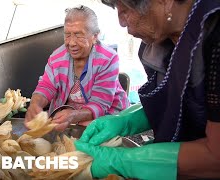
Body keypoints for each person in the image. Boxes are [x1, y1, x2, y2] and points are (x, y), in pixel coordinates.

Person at [75, 0, 220, 179]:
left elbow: (216, 156)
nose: (121, 21)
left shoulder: (215, 38)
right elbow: (175, 102)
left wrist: (125, 161)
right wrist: (127, 121)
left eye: (126, 10)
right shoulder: (160, 41)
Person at [25, 5, 129, 132]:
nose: (71, 43)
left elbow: (100, 103)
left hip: (106, 113)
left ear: (95, 36)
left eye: (78, 35)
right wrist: (35, 103)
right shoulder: (56, 57)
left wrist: (74, 116)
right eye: (67, 35)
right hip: (69, 115)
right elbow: (46, 86)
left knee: (90, 129)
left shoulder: (108, 58)